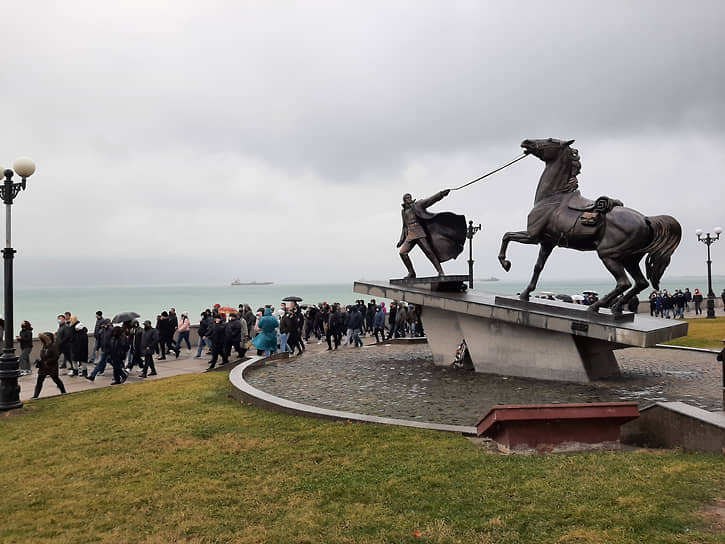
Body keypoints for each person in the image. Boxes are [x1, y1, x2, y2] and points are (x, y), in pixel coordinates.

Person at [396, 189, 466, 278]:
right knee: (402, 253)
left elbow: (430, 200)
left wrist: (441, 194)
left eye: (410, 197)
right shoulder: (403, 211)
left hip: (419, 233)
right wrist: (401, 240)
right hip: (410, 235)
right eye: (407, 198)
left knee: (429, 253)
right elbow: (404, 226)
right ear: (404, 200)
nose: (409, 198)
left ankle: (440, 272)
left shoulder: (418, 205)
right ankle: (411, 272)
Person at [32, 332, 66, 399]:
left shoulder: (53, 346)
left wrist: (48, 362)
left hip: (51, 367)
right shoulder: (44, 347)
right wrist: (39, 362)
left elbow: (56, 357)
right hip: (43, 367)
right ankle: (35, 396)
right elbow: (43, 357)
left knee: (56, 379)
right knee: (39, 381)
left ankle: (63, 392)